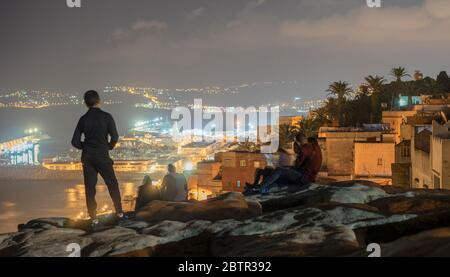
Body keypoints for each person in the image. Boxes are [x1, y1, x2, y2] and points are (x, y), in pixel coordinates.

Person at [71, 90, 124, 229]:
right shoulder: (107, 117)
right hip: (102, 155)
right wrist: (108, 147)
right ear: (99, 100)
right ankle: (119, 213)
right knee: (112, 184)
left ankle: (93, 219)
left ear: (85, 103)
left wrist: (86, 146)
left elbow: (75, 142)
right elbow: (115, 137)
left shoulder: (83, 119)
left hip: (88, 157)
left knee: (90, 188)